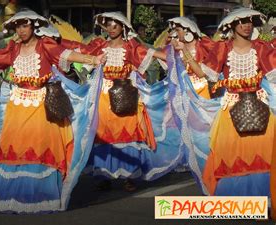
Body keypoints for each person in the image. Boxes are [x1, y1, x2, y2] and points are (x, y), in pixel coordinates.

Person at [0, 9, 104, 213]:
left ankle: (42, 197)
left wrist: (93, 60)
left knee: (40, 147)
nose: (21, 29)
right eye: (18, 26)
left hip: (41, 106)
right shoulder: (13, 49)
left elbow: (67, 55)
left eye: (25, 25)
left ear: (33, 26)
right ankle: (14, 197)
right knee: (16, 149)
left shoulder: (45, 45)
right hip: (18, 106)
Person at [179, 7, 276, 215]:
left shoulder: (261, 47)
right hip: (230, 112)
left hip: (260, 109)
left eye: (250, 21)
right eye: (241, 21)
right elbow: (207, 75)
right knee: (232, 155)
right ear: (231, 25)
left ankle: (263, 201)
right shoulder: (223, 48)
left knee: (263, 155)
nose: (246, 25)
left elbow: (274, 77)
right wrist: (184, 52)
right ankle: (239, 204)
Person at [76, 12, 166, 191]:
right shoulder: (99, 45)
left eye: (114, 25)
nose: (110, 29)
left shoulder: (131, 47)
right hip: (103, 96)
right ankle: (104, 174)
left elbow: (152, 54)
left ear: (123, 27)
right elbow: (79, 53)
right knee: (104, 134)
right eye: (108, 25)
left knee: (128, 132)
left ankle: (130, 175)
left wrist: (179, 58)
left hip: (125, 94)